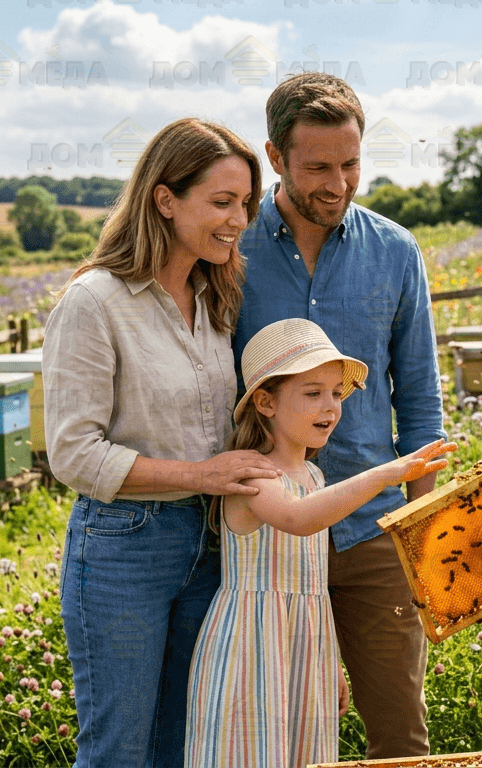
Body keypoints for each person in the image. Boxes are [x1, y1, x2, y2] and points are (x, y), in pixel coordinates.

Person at [42, 117, 280, 768]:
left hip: (206, 549)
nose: (239, 220)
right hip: (124, 550)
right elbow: (73, 454)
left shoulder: (213, 298)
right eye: (222, 202)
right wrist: (203, 475)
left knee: (182, 746)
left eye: (246, 204)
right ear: (165, 198)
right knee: (119, 752)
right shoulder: (95, 302)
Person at [233, 72, 448, 759]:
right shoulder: (227, 252)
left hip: (372, 533)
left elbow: (419, 401)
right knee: (274, 731)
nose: (338, 182)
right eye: (318, 167)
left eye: (351, 164)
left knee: (399, 734)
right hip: (260, 534)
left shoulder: (395, 250)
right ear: (275, 157)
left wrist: (423, 536)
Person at [187, 318, 455, 768]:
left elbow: (314, 583)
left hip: (303, 646)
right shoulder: (254, 474)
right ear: (266, 402)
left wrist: (329, 657)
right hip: (253, 646)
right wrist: (384, 474)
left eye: (335, 392)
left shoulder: (313, 476)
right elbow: (299, 519)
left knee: (304, 756)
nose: (329, 405)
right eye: (312, 393)